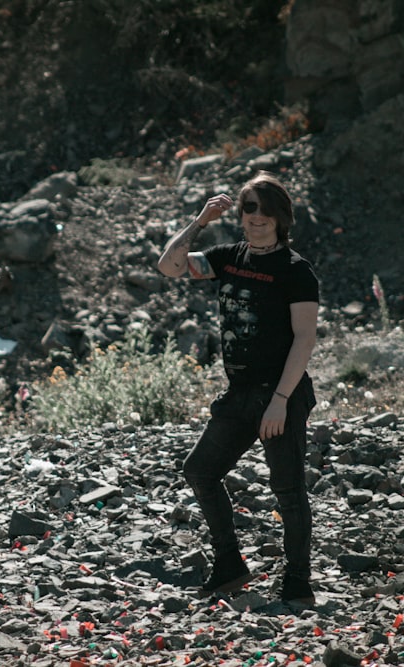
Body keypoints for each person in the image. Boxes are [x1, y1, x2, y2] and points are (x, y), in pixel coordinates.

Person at [157, 172, 319, 604]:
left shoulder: (296, 271)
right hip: (240, 393)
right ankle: (230, 564)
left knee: (287, 489)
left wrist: (281, 402)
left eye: (265, 211)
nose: (256, 218)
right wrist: (201, 220)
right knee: (200, 471)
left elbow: (305, 338)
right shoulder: (228, 257)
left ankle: (298, 582)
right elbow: (169, 265)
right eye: (249, 209)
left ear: (281, 217)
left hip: (280, 394)